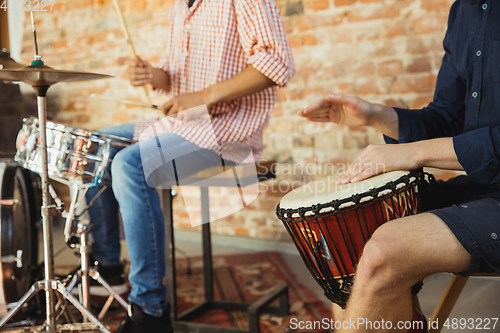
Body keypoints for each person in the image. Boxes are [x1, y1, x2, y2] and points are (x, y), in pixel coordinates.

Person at [85, 0, 294, 332]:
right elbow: (174, 78)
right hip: (183, 124)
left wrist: (205, 95)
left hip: (228, 134)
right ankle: (109, 268)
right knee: (93, 146)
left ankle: (150, 311)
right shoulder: (181, 6)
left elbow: (277, 63)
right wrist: (154, 75)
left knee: (129, 165)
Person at [298, 1, 499, 332]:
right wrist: (376, 115)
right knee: (347, 228)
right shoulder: (463, 9)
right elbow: (449, 116)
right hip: (483, 187)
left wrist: (414, 153)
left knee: (384, 251)